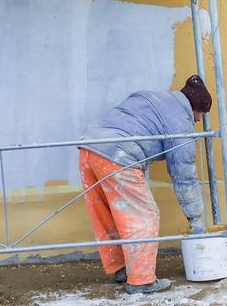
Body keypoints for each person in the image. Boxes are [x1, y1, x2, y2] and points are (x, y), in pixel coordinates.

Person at [78, 76, 211, 294]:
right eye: (201, 115)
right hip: (118, 156)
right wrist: (195, 217)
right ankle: (141, 281)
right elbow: (184, 173)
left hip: (88, 149)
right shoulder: (181, 121)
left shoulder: (151, 98)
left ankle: (121, 268)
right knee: (143, 216)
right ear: (196, 108)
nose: (199, 121)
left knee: (107, 213)